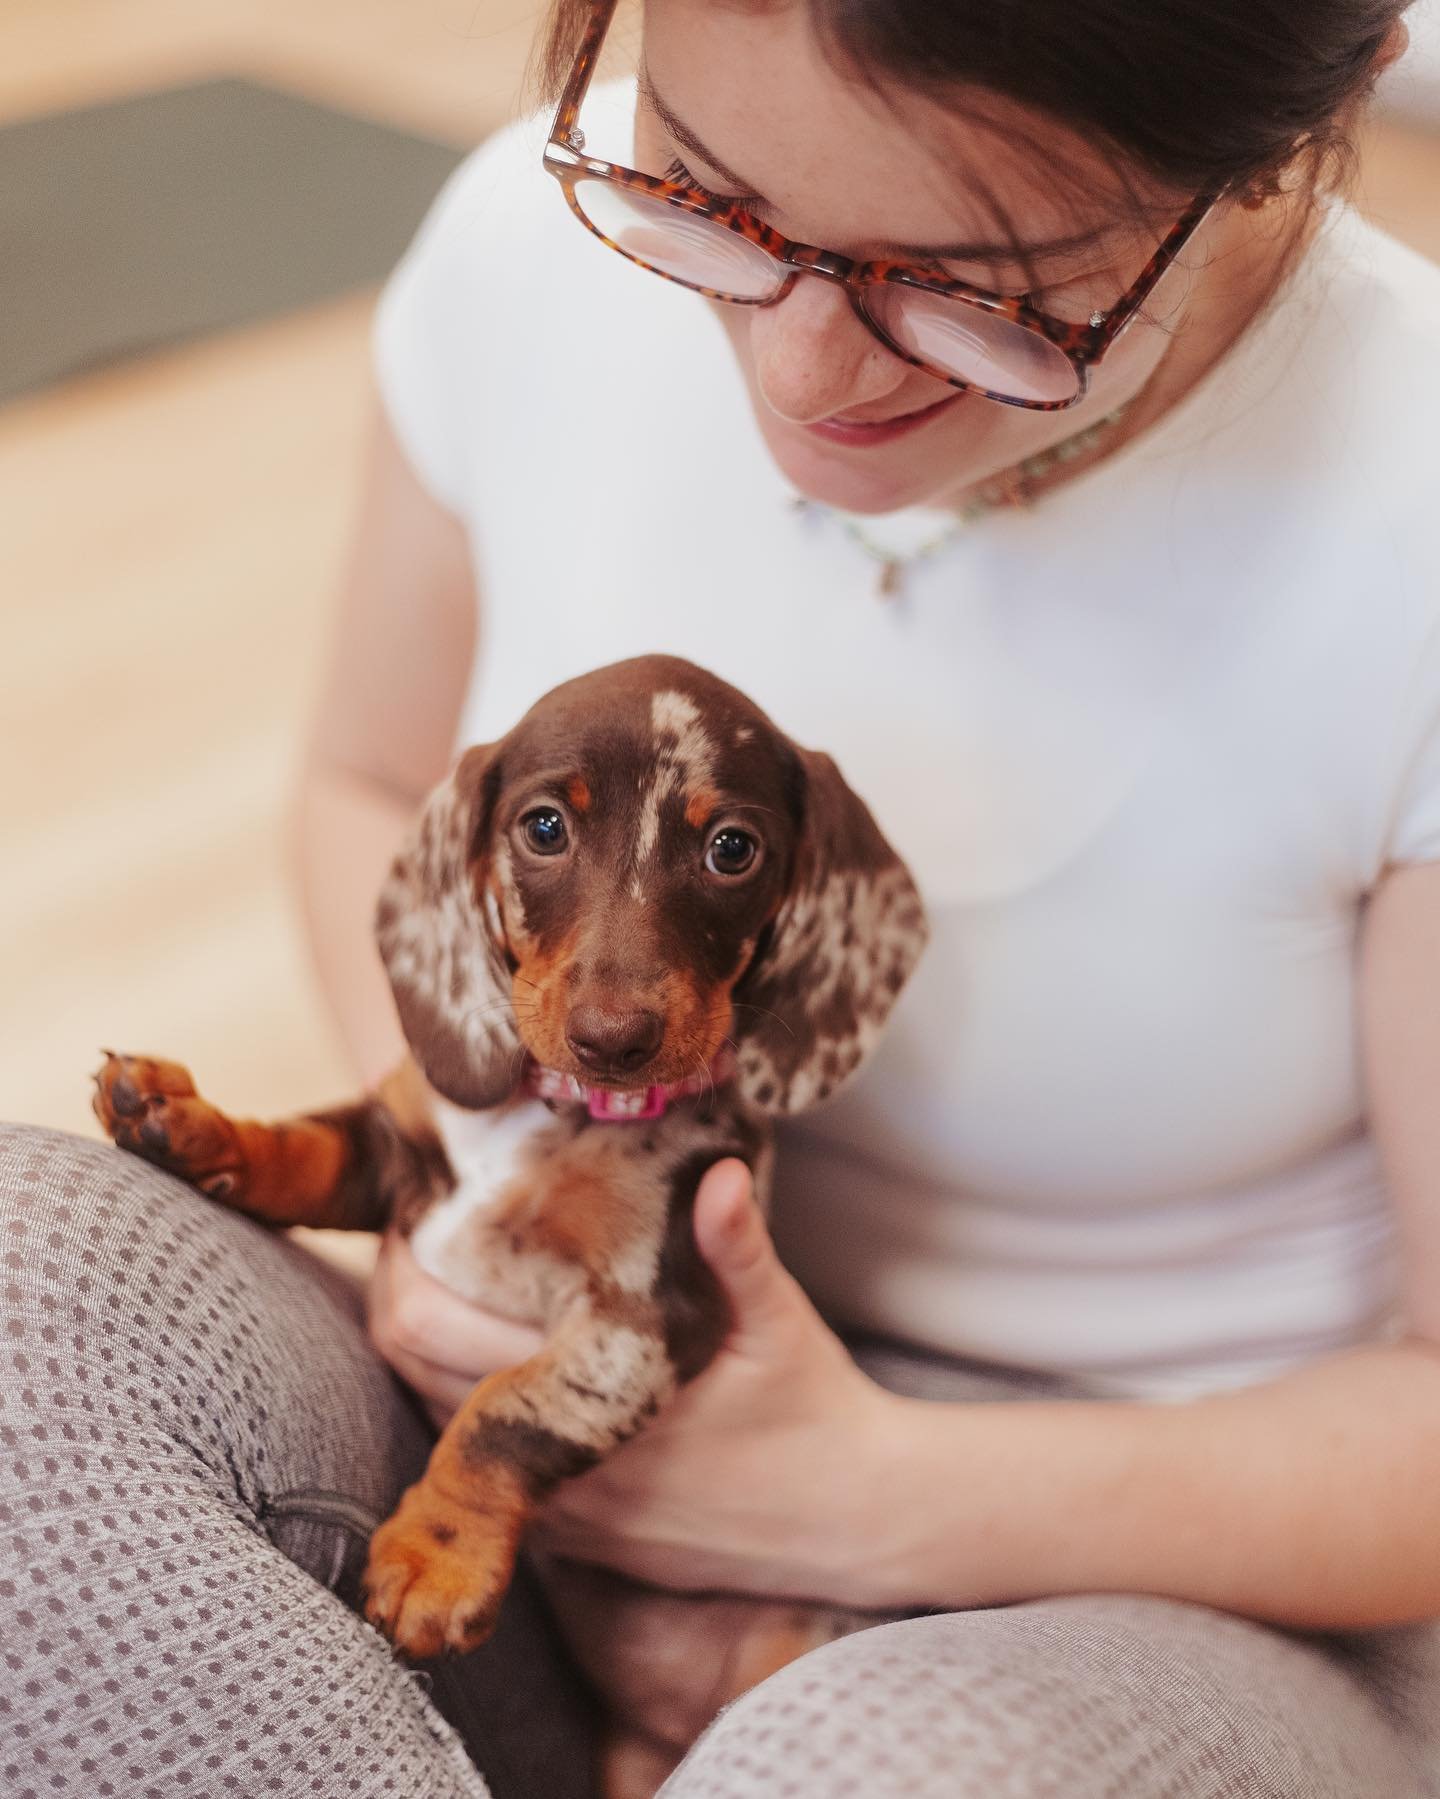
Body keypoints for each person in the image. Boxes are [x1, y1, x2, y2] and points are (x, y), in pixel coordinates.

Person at [6, 0, 1440, 1792]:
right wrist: (484, 1181)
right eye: (705, 189)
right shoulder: (527, 249)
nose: (802, 373)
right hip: (547, 1385)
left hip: (1183, 1556)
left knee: (857, 1771)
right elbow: (371, 783)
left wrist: (856, 1500)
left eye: (979, 288)